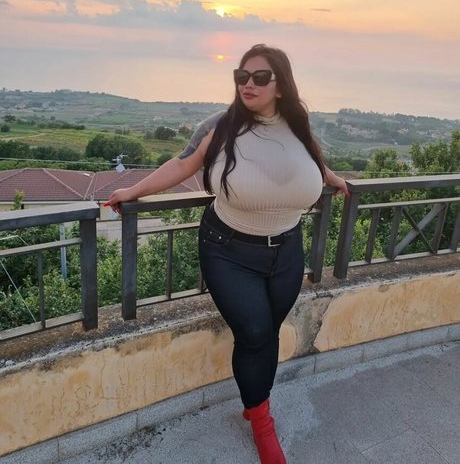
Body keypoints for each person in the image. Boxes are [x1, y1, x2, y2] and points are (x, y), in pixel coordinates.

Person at [105, 44, 348, 464]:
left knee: (268, 331)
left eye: (259, 77)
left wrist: (332, 177)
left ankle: (256, 402)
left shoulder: (297, 124)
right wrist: (133, 190)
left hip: (287, 250)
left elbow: (309, 160)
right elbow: (181, 164)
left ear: (281, 86)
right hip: (228, 250)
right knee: (254, 333)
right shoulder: (220, 126)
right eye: (241, 76)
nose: (247, 84)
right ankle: (262, 421)